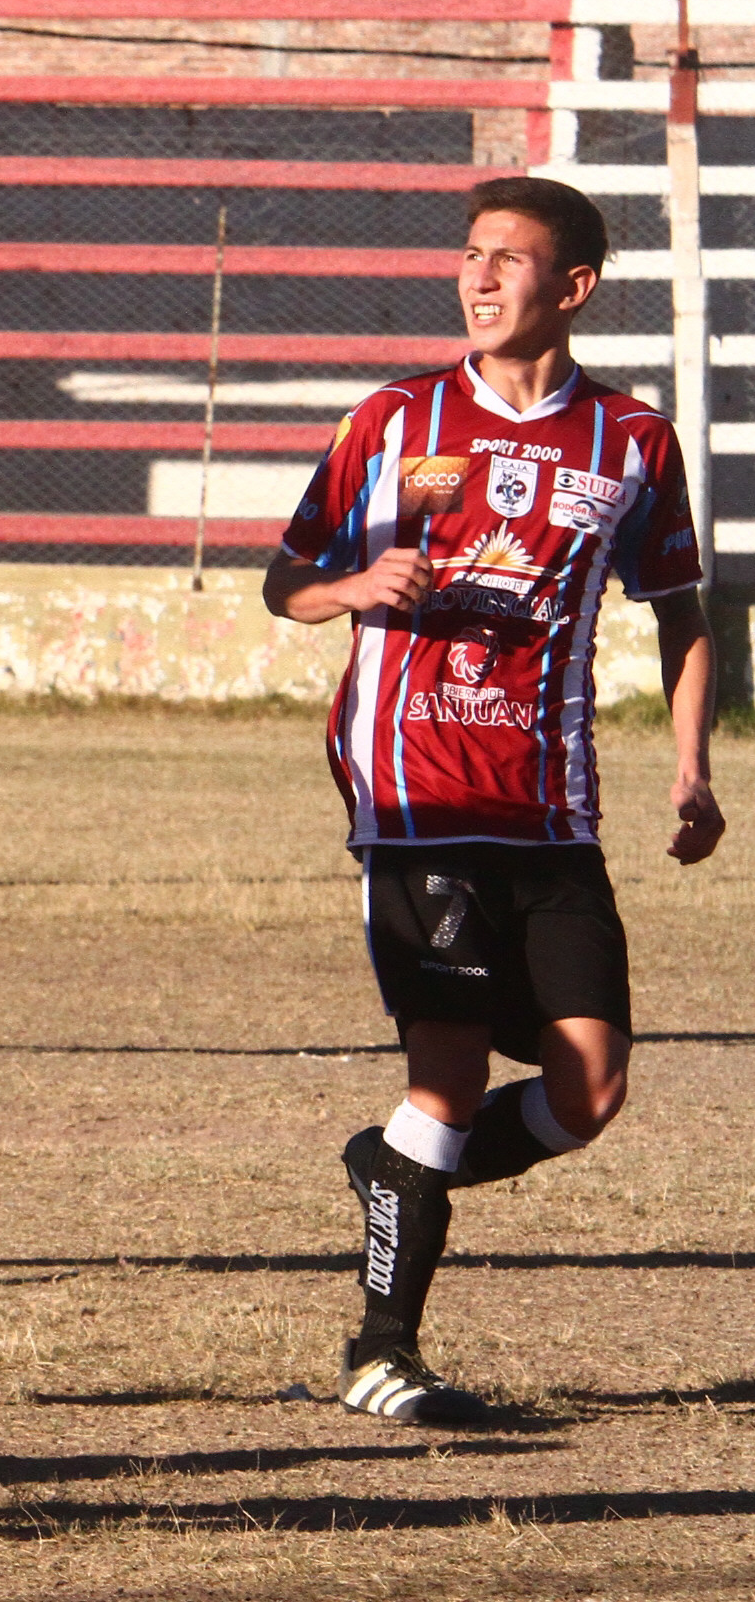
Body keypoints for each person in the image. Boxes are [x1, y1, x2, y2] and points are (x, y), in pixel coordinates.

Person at [262, 176, 724, 1427]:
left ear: (571, 287)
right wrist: (354, 586)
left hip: (550, 808)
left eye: (504, 259)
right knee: (449, 1076)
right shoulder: (393, 418)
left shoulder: (630, 441)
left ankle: (396, 1175)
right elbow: (285, 580)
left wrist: (691, 768)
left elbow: (680, 614)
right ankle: (381, 1353)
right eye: (468, 254)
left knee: (589, 1091)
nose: (476, 277)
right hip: (415, 797)